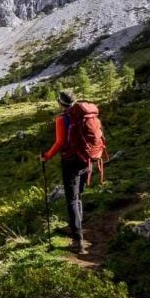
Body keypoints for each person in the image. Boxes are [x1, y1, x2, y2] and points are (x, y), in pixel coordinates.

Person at [41, 89, 90, 254]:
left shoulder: (62, 119)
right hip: (87, 159)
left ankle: (78, 241)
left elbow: (60, 142)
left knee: (72, 199)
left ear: (60, 103)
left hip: (71, 162)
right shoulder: (84, 115)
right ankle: (79, 230)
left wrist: (46, 156)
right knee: (78, 197)